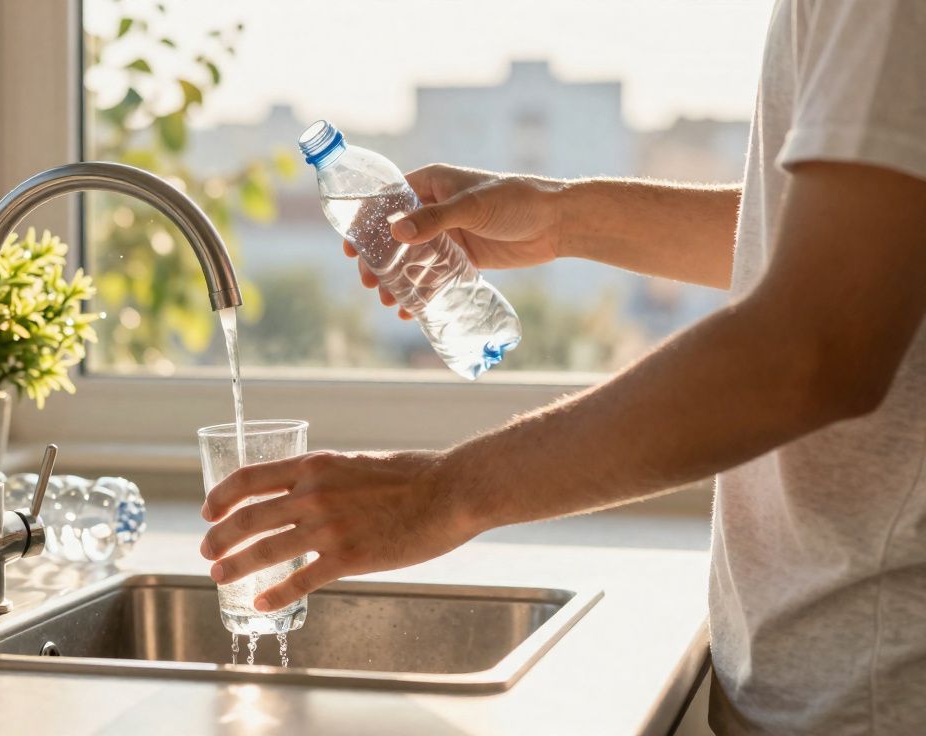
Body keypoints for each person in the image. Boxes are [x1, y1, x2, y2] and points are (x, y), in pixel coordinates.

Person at [199, 2, 926, 733]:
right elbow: (835, 235)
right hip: (824, 672)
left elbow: (810, 351)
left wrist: (439, 494)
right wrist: (556, 216)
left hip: (874, 692)